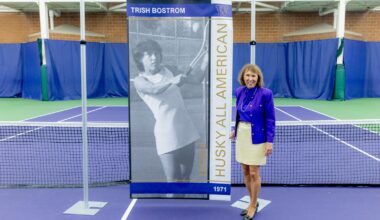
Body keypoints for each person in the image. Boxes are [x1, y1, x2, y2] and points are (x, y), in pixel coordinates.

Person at [132, 39, 208, 184]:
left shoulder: (169, 69)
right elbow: (154, 89)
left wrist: (206, 58)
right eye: (149, 55)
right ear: (140, 59)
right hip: (166, 133)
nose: (155, 57)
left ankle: (183, 206)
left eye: (156, 53)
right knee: (173, 180)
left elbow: (197, 78)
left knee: (185, 179)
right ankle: (171, 205)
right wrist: (172, 81)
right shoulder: (139, 80)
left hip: (186, 129)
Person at [230, 64, 275, 220]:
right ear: (243, 77)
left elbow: (270, 119)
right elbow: (239, 114)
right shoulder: (239, 91)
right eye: (248, 75)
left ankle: (253, 204)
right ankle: (251, 201)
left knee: (254, 173)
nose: (250, 79)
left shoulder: (266, 94)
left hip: (257, 136)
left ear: (258, 78)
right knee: (245, 172)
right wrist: (235, 130)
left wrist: (270, 141)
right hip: (242, 135)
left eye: (253, 76)